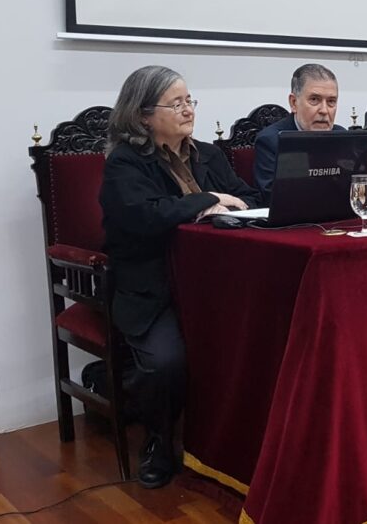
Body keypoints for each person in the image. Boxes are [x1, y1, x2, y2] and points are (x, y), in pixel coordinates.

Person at [99, 65, 260, 489]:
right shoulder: (125, 162)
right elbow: (145, 216)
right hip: (154, 288)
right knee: (167, 362)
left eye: (190, 100)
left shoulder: (207, 154)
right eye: (177, 103)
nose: (188, 109)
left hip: (217, 284)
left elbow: (248, 198)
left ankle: (239, 439)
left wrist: (235, 202)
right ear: (143, 115)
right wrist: (206, 200)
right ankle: (158, 440)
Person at [254, 63, 367, 206]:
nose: (324, 110)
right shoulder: (271, 140)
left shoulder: (342, 137)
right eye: (314, 100)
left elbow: (357, 184)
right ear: (294, 103)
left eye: (331, 102)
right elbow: (273, 198)